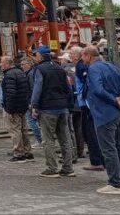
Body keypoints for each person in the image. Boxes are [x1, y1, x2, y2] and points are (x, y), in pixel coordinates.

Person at [84, 45, 120, 195]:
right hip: (118, 113)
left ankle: (115, 183)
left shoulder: (93, 69)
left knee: (109, 149)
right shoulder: (112, 66)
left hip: (104, 113)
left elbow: (98, 90)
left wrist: (114, 100)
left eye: (83, 56)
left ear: (88, 56)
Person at [30, 45, 75, 178]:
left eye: (36, 54)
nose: (35, 56)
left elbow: (37, 88)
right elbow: (68, 88)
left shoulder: (39, 69)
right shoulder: (60, 68)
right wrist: (69, 105)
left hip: (47, 108)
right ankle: (68, 168)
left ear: (41, 56)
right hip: (63, 108)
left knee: (48, 139)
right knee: (65, 138)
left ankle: (52, 168)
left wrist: (34, 105)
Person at [75, 49, 105, 171]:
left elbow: (93, 87)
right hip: (95, 104)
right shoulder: (105, 66)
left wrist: (87, 99)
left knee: (90, 133)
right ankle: (101, 160)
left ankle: (97, 161)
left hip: (89, 104)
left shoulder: (87, 68)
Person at [0, 55, 32, 163]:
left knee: (15, 130)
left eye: (2, 62)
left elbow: (10, 93)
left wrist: (9, 109)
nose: (0, 64)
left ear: (7, 64)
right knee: (23, 130)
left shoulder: (9, 75)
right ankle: (27, 151)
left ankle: (18, 153)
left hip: (14, 108)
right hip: (22, 106)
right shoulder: (20, 73)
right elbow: (26, 90)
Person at [62, 47, 85, 159]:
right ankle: (80, 151)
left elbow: (69, 88)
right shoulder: (82, 67)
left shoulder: (67, 71)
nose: (70, 55)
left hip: (72, 103)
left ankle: (74, 152)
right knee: (79, 129)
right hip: (81, 102)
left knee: (70, 129)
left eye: (71, 53)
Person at [21, 57, 43, 148]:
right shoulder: (32, 73)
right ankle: (41, 139)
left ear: (29, 64)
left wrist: (31, 102)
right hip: (34, 101)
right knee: (37, 122)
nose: (21, 66)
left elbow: (32, 89)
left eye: (23, 64)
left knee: (32, 121)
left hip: (31, 102)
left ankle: (40, 140)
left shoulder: (30, 75)